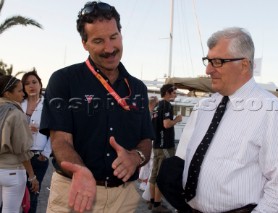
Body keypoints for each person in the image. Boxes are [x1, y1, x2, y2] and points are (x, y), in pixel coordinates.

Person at [40, 1, 153, 213]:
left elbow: (146, 139)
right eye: (98, 41)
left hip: (124, 198)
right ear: (84, 43)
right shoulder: (63, 80)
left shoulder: (138, 88)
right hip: (75, 192)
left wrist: (135, 157)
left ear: (121, 33)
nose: (109, 49)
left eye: (113, 37)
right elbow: (61, 141)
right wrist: (81, 171)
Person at [175, 27, 278, 212]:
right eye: (208, 61)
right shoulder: (207, 106)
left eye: (217, 62)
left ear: (244, 65)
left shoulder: (272, 111)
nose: (208, 70)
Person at [0, 75, 39, 212]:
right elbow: (22, 150)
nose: (23, 93)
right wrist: (32, 176)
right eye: (19, 91)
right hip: (12, 172)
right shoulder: (16, 113)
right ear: (7, 93)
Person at [21, 70, 51, 213]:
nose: (31, 86)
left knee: (33, 195)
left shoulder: (48, 105)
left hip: (37, 156)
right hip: (18, 155)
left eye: (34, 82)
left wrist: (45, 153)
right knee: (14, 193)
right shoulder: (19, 104)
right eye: (27, 83)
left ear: (40, 84)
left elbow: (54, 131)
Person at [149, 84, 182, 213]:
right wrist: (177, 120)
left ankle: (152, 202)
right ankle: (157, 205)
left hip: (156, 145)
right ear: (168, 93)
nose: (176, 95)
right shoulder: (166, 105)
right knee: (162, 175)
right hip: (165, 146)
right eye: (174, 92)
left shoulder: (157, 106)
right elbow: (167, 124)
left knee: (154, 174)